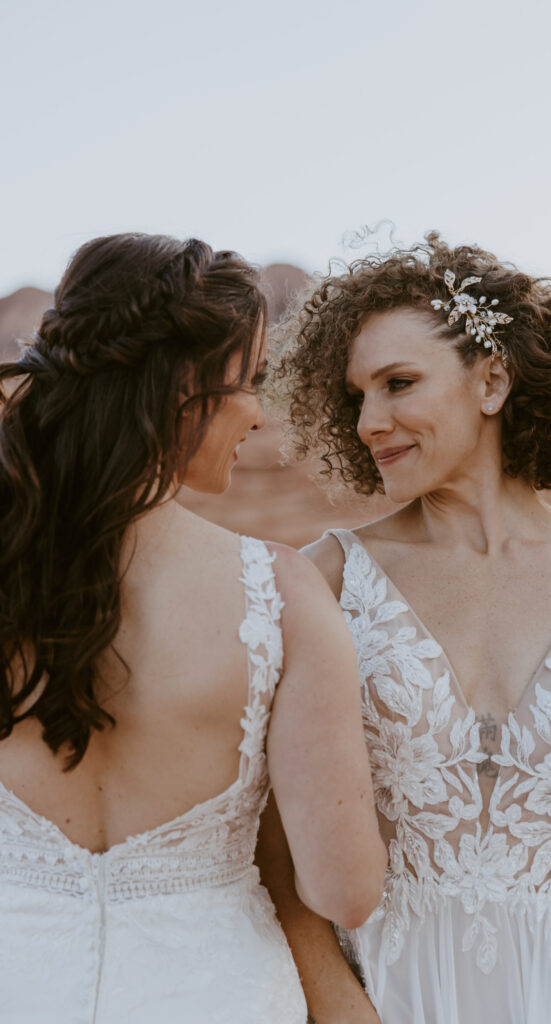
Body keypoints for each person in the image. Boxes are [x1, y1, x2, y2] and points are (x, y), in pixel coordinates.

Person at [268, 234, 551, 1023]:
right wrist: (341, 1009)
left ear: (491, 381)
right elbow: (273, 846)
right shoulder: (322, 582)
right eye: (356, 395)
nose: (367, 422)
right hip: (386, 988)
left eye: (397, 384)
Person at [0, 233, 387, 1023]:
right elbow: (344, 890)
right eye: (248, 382)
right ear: (182, 386)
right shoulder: (283, 596)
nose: (256, 411)